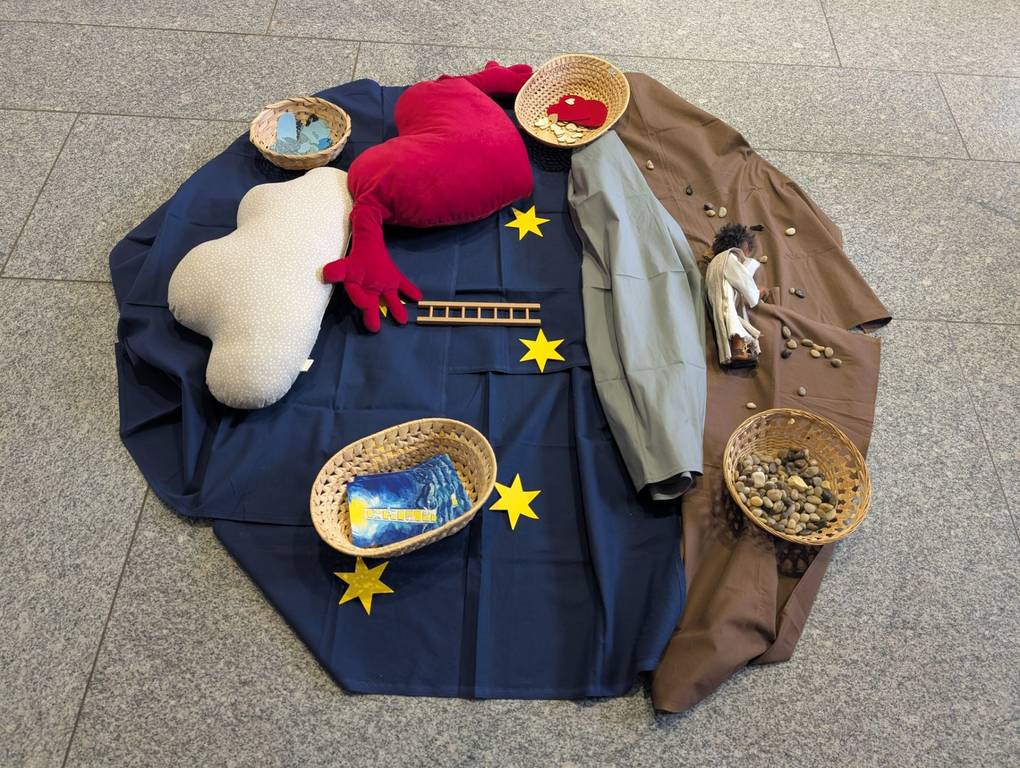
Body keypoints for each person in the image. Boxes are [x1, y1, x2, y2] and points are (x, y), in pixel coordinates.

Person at [705, 223, 763, 367]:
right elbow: (743, 279)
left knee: (727, 318)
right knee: (731, 316)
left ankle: (737, 351)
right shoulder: (729, 256)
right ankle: (738, 350)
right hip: (724, 291)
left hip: (715, 293)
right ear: (743, 246)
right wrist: (757, 294)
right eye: (748, 250)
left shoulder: (713, 264)